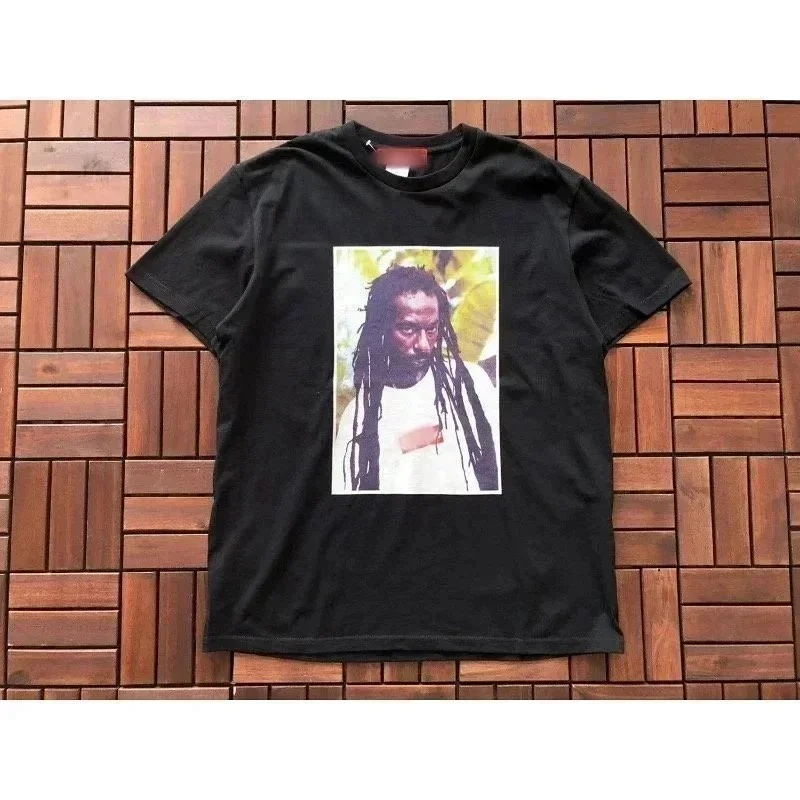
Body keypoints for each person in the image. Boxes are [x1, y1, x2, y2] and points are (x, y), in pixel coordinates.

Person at [332, 265, 500, 493]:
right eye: (408, 329)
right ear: (381, 329)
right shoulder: (359, 416)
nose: (423, 345)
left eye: (431, 329)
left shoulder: (471, 383)